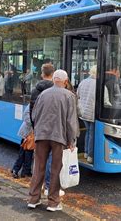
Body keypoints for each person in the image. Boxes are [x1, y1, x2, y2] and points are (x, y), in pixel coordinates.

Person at [28, 70, 79, 212]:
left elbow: (34, 115)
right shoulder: (69, 96)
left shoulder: (43, 94)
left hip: (41, 136)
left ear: (54, 80)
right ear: (65, 81)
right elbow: (71, 122)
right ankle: (53, 202)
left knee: (39, 167)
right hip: (59, 137)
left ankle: (33, 199)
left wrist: (36, 131)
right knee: (56, 169)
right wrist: (71, 140)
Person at [77, 65, 98, 164]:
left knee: (88, 133)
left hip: (83, 113)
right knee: (92, 134)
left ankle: (85, 152)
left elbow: (78, 96)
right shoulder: (98, 84)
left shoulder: (83, 82)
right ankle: (90, 156)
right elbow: (106, 101)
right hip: (93, 114)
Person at [11, 104, 34, 178]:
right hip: (27, 133)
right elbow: (26, 117)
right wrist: (36, 123)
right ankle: (15, 170)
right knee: (23, 153)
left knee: (29, 153)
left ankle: (26, 171)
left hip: (32, 134)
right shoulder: (32, 104)